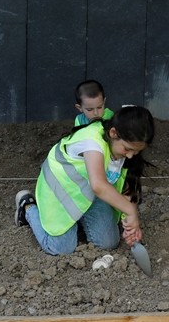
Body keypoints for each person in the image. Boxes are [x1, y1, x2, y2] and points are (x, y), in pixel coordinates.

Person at [15, 106, 154, 256]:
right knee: (61, 248)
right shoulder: (92, 141)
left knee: (108, 243)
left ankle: (78, 220)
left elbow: (127, 184)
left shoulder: (125, 149)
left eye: (137, 151)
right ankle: (28, 208)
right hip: (62, 191)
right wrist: (130, 210)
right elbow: (98, 186)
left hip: (88, 194)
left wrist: (130, 223)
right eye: (127, 149)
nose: (131, 156)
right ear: (113, 133)